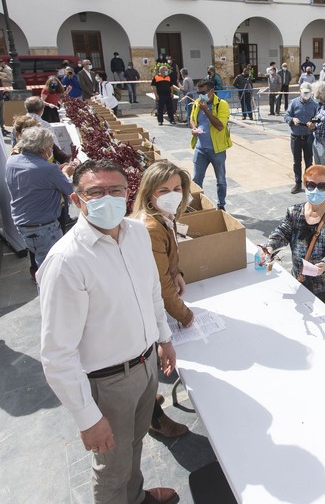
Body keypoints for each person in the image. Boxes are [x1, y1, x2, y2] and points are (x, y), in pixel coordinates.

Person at [38, 160, 179, 504]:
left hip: (145, 366)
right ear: (77, 200)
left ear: (127, 192)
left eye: (115, 190)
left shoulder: (135, 234)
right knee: (111, 467)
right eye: (96, 192)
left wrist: (163, 338)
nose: (108, 198)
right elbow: (57, 353)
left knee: (133, 445)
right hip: (108, 382)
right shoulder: (67, 261)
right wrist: (87, 417)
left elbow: (151, 293)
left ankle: (135, 497)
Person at [131, 161, 195, 440]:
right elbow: (162, 288)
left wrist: (177, 271)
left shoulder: (162, 218)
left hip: (149, 304)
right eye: (164, 189)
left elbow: (166, 262)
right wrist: (186, 316)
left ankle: (148, 402)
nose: (172, 194)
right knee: (143, 368)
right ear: (150, 193)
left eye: (177, 188)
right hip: (142, 311)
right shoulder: (151, 227)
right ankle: (153, 419)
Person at [258, 164, 325, 318]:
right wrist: (270, 247)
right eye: (311, 185)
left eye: (322, 186)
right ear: (305, 186)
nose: (316, 190)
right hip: (301, 280)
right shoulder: (294, 211)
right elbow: (282, 232)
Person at [5, 127, 76, 282]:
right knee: (51, 271)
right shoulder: (48, 169)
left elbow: (36, 178)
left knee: (42, 265)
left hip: (24, 223)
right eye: (50, 147)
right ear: (45, 148)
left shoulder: (12, 161)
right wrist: (65, 173)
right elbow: (68, 188)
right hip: (44, 227)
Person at [189, 79, 231, 210]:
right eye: (198, 92)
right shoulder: (197, 103)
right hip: (201, 149)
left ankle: (221, 205)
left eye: (203, 92)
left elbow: (219, 126)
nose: (200, 95)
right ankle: (197, 205)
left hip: (217, 150)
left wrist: (206, 110)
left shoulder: (222, 105)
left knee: (221, 180)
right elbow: (191, 118)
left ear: (211, 91)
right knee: (196, 179)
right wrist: (194, 128)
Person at [285, 83, 318, 193]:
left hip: (308, 137)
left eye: (308, 93)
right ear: (300, 91)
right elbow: (286, 116)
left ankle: (309, 182)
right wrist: (292, 119)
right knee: (296, 161)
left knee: (309, 161)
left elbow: (318, 119)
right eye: (304, 93)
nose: (306, 95)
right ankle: (297, 183)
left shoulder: (314, 104)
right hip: (296, 137)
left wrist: (313, 124)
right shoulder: (294, 103)